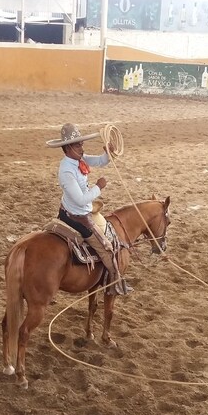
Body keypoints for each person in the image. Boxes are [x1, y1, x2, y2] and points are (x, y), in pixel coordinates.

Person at [46, 123, 131, 296]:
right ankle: (114, 282)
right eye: (78, 145)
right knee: (107, 250)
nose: (82, 147)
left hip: (75, 210)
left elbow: (100, 161)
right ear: (69, 148)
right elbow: (81, 199)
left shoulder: (78, 159)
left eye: (81, 144)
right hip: (77, 216)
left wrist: (108, 153)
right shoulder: (67, 171)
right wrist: (99, 187)